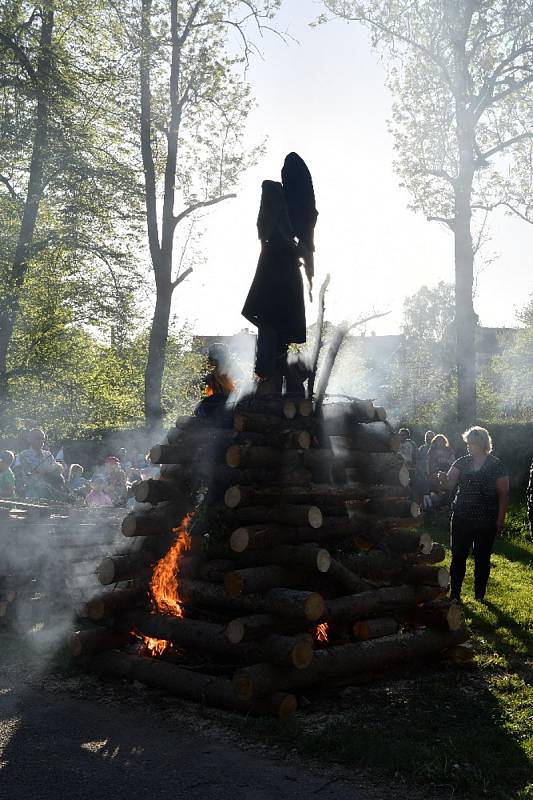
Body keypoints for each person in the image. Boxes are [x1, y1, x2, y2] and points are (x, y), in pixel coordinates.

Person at [241, 152, 317, 393]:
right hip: (274, 275)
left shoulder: (292, 204)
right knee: (270, 325)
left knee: (277, 328)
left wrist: (309, 272)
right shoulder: (273, 193)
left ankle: (275, 376)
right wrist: (296, 250)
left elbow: (305, 239)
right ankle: (267, 376)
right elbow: (266, 232)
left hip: (282, 277)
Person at [438, 426, 509, 602]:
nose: (468, 446)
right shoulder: (461, 462)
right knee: (458, 555)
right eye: (467, 443)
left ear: (482, 443)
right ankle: (455, 594)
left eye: (472, 443)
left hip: (486, 520)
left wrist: (500, 519)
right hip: (461, 516)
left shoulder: (497, 465)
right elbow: (448, 485)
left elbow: (503, 494)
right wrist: (441, 480)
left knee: (482, 557)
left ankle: (479, 595)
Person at [17, 428, 64, 499]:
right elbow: (31, 472)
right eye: (37, 438)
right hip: (32, 492)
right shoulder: (23, 455)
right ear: (29, 439)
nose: (40, 441)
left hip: (50, 492)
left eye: (42, 438)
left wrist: (47, 471)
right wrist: (48, 470)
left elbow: (59, 470)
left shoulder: (48, 454)